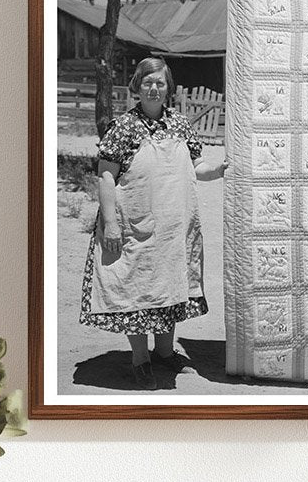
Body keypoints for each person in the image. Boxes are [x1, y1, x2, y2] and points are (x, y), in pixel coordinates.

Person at [79, 57, 226, 389]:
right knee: (136, 287)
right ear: (137, 86)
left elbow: (197, 166)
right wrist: (112, 224)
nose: (154, 88)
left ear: (168, 87)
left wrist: (218, 170)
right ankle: (140, 358)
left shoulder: (180, 124)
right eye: (148, 82)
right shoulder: (124, 127)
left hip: (173, 228)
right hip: (133, 226)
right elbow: (105, 175)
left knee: (170, 285)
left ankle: (164, 352)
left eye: (160, 83)